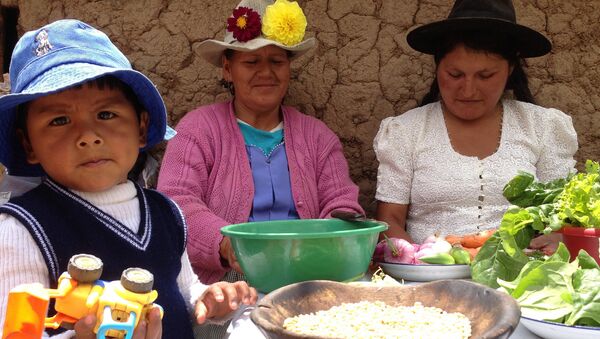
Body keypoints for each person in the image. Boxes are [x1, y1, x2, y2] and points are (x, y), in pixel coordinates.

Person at [0, 19, 257, 338]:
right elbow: (14, 332)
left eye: (106, 114)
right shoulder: (23, 229)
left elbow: (179, 291)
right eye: (60, 120)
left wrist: (206, 299)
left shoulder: (166, 213)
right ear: (28, 145)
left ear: (140, 127)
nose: (88, 136)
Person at [158, 0, 364, 285]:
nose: (266, 72)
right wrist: (228, 244)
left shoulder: (318, 137)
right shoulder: (198, 129)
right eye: (251, 62)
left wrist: (325, 241)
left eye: (277, 61)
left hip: (308, 272)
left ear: (289, 68)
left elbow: (342, 203)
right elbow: (177, 203)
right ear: (228, 70)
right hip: (227, 279)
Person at [374, 0, 577, 253]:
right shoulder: (406, 131)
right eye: (455, 75)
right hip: (430, 279)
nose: (468, 90)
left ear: (510, 70)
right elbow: (389, 220)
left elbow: (564, 214)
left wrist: (558, 238)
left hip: (525, 278)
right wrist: (416, 260)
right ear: (438, 68)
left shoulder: (543, 127)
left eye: (486, 76)